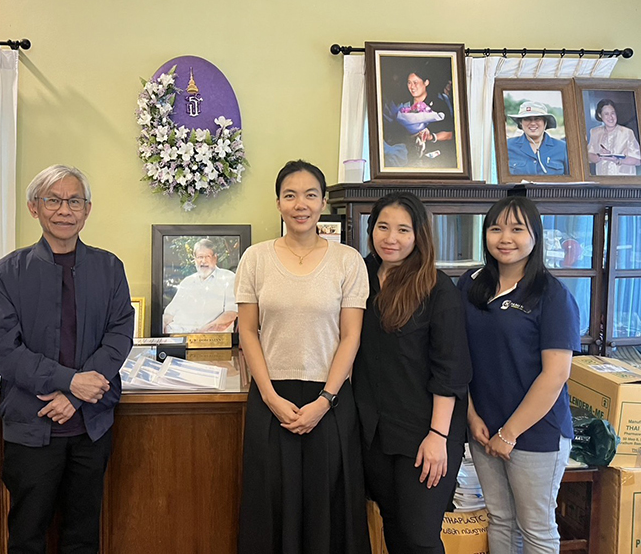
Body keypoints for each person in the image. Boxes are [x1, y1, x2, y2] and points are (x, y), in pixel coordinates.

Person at [0, 164, 134, 553]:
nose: (64, 210)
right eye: (53, 200)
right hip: (31, 428)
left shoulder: (109, 268)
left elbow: (119, 336)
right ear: (35, 208)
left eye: (74, 201)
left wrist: (78, 394)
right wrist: (68, 381)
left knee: (83, 535)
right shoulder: (7, 273)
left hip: (91, 426)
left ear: (87, 209)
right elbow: (1, 346)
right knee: (27, 535)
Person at [235, 160, 370, 554]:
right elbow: (248, 331)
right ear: (278, 203)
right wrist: (270, 396)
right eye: (290, 195)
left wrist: (325, 401)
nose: (301, 204)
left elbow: (351, 336)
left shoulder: (348, 260)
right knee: (270, 504)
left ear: (323, 201)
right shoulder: (255, 259)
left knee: (326, 507)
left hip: (329, 401)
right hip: (270, 398)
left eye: (311, 195)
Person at [459, 196, 579, 554]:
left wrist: (509, 434)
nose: (504, 238)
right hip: (482, 427)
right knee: (499, 519)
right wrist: (471, 416)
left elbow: (555, 375)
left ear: (535, 236)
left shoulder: (551, 294)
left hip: (534, 434)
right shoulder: (471, 283)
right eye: (496, 228)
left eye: (516, 229)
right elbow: (457, 355)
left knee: (535, 528)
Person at [353, 192, 471, 554]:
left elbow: (450, 368)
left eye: (403, 229)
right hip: (375, 431)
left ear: (419, 235)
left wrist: (438, 435)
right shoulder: (361, 277)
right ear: (371, 230)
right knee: (393, 525)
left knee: (420, 537)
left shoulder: (436, 287)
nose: (391, 238)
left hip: (425, 432)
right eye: (383, 227)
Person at [163, 238, 237, 333]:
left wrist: (201, 334)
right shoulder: (187, 282)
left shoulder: (228, 278)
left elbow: (231, 314)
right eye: (200, 257)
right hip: (178, 337)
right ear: (194, 259)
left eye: (207, 256)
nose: (203, 261)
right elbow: (169, 314)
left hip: (210, 339)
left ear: (215, 258)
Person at [386, 68, 456, 168]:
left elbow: (450, 134)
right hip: (409, 161)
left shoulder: (438, 105)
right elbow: (394, 135)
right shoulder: (404, 107)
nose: (412, 87)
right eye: (409, 83)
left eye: (415, 82)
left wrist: (431, 137)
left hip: (435, 162)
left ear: (426, 82)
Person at [507, 101, 569, 175]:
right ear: (520, 123)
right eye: (527, 119)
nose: (533, 123)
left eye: (537, 119)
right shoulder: (507, 146)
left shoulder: (562, 147)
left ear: (545, 122)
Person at [586, 98, 641, 176]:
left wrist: (618, 160)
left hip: (623, 181)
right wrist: (600, 156)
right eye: (606, 114)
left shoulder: (627, 132)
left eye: (613, 113)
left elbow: (638, 160)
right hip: (603, 180)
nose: (610, 117)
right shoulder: (595, 132)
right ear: (600, 115)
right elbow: (588, 156)